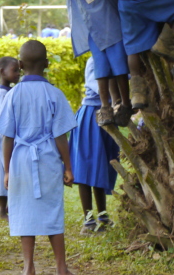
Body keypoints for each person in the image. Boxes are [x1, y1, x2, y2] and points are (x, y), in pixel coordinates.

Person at [0, 40, 77, 275]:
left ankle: (28, 267)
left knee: (23, 212)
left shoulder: (13, 95)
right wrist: (68, 167)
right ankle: (61, 267)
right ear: (47, 64)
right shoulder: (54, 94)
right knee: (53, 211)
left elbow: (7, 137)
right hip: (49, 159)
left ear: (19, 65)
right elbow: (61, 136)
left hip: (20, 160)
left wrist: (7, 169)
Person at [69, 57, 120, 234]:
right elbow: (98, 87)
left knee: (102, 167)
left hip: (106, 117)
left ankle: (103, 217)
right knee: (85, 169)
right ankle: (88, 220)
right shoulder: (95, 60)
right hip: (92, 116)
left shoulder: (115, 57)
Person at [0, 57, 21, 220]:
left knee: (7, 170)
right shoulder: (2, 93)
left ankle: (6, 208)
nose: (18, 74)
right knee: (4, 171)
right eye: (14, 70)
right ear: (2, 72)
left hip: (5, 137)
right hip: (3, 138)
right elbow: (4, 117)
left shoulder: (4, 92)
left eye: (19, 70)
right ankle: (1, 210)